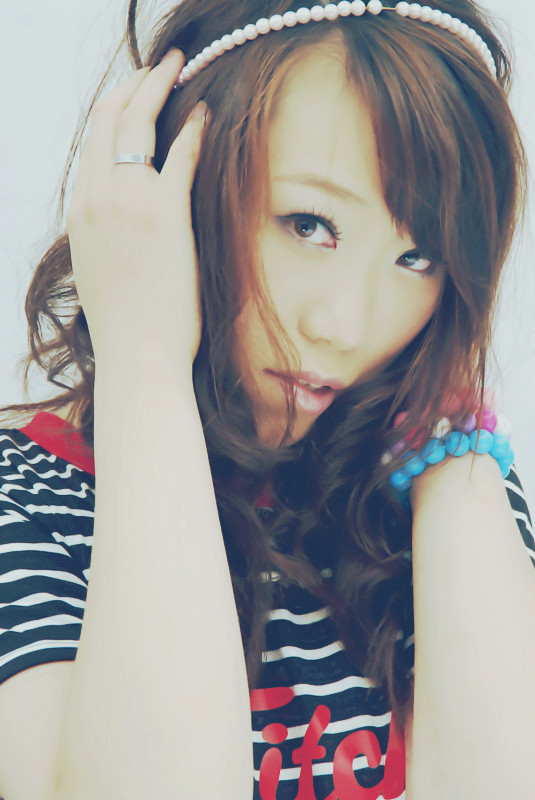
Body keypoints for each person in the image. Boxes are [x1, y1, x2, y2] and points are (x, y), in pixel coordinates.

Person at [0, 0, 534, 797]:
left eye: (418, 257)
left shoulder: (443, 485)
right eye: (308, 224)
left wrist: (452, 444)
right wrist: (144, 358)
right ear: (172, 192)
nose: (344, 326)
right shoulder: (26, 501)